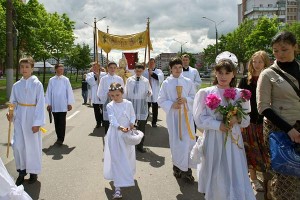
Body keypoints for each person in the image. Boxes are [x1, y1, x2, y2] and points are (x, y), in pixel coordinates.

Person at [193, 52, 255, 200]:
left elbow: (246, 120)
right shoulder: (205, 92)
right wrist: (217, 125)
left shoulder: (241, 94)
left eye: (227, 73)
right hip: (214, 138)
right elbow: (199, 118)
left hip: (233, 139)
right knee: (215, 168)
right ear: (215, 72)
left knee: (233, 168)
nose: (223, 76)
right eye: (220, 72)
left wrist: (237, 118)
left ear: (234, 74)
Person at [257, 31, 300, 199]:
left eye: (284, 49)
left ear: (295, 47)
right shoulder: (268, 74)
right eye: (275, 50)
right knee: (285, 178)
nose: (279, 54)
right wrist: (289, 130)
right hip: (280, 131)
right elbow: (263, 107)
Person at [6, 57, 45, 186]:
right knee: (18, 145)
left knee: (32, 145)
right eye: (22, 67)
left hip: (32, 118)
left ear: (32, 68)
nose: (24, 69)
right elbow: (13, 102)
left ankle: (33, 172)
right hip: (20, 117)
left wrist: (37, 123)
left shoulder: (37, 84)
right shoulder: (17, 85)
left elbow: (40, 104)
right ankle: (21, 171)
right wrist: (10, 113)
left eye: (27, 67)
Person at [157, 57, 196, 183]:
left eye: (180, 67)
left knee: (187, 143)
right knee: (177, 143)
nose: (178, 69)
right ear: (170, 68)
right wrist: (172, 105)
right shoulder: (166, 83)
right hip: (174, 118)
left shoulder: (188, 82)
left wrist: (186, 100)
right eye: (175, 67)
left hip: (186, 117)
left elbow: (194, 97)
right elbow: (161, 99)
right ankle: (177, 167)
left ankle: (187, 170)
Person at [238, 50, 270, 192]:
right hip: (249, 122)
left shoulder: (269, 79)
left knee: (265, 151)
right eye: (254, 61)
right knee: (250, 149)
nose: (257, 65)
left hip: (265, 121)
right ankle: (254, 179)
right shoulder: (246, 80)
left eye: (260, 62)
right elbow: (239, 101)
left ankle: (267, 178)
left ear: (266, 63)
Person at [103, 83, 136, 199]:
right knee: (116, 158)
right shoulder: (110, 105)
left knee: (126, 156)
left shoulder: (128, 103)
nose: (115, 98)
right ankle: (117, 188)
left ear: (122, 93)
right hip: (115, 134)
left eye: (117, 95)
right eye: (112, 96)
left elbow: (132, 115)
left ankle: (126, 175)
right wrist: (120, 127)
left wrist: (132, 123)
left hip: (127, 134)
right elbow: (112, 119)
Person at [124, 63, 152, 153]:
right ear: (134, 70)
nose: (138, 72)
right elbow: (125, 91)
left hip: (141, 104)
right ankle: (128, 143)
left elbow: (150, 91)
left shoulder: (145, 81)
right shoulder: (129, 80)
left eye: (140, 71)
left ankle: (140, 145)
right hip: (131, 104)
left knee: (142, 125)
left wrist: (149, 93)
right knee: (129, 124)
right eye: (137, 71)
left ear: (143, 71)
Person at [46, 64, 75, 145]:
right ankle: (58, 136)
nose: (61, 71)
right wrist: (49, 104)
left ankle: (61, 139)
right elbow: (49, 92)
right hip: (54, 105)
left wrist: (69, 103)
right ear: (56, 70)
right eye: (59, 69)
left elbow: (69, 91)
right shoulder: (51, 80)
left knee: (62, 122)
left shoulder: (66, 80)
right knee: (56, 122)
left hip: (63, 105)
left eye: (62, 69)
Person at [97, 62, 124, 134]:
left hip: (117, 102)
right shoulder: (103, 79)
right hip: (107, 101)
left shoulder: (119, 79)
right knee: (108, 121)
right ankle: (108, 139)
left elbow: (123, 91)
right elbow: (100, 91)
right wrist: (107, 93)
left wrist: (118, 95)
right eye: (111, 67)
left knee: (117, 120)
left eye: (114, 68)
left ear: (116, 69)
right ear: (107, 68)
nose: (112, 69)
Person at [143, 58, 164, 127]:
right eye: (150, 63)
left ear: (155, 63)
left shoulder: (159, 71)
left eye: (152, 62)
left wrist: (152, 74)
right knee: (146, 107)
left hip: (155, 92)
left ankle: (154, 122)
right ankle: (144, 120)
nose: (151, 64)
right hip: (147, 92)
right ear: (148, 64)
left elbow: (160, 79)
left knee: (155, 108)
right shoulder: (145, 71)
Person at [86, 62, 107, 128]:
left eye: (96, 66)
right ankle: (98, 122)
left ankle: (104, 121)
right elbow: (90, 82)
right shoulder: (89, 74)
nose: (94, 68)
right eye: (93, 66)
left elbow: (105, 83)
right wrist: (95, 76)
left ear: (99, 67)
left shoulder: (104, 74)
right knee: (96, 110)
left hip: (103, 94)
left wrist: (99, 77)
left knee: (104, 109)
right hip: (95, 94)